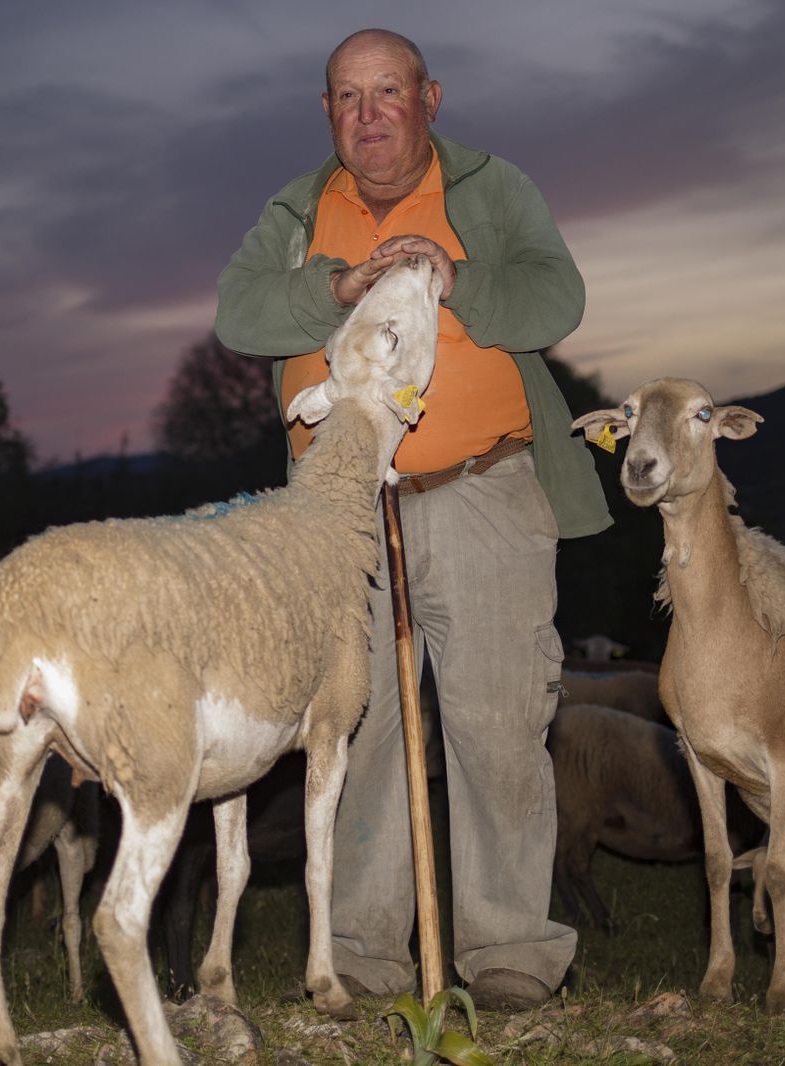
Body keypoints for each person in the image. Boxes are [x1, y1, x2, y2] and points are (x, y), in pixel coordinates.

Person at [214, 27, 610, 1010]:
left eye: (389, 93)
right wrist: (336, 288)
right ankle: (360, 953)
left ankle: (510, 952)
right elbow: (238, 313)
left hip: (484, 493)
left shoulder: (492, 189)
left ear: (429, 98)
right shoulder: (300, 209)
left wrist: (455, 274)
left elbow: (557, 296)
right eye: (348, 98)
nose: (369, 114)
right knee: (358, 726)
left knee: (497, 719)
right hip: (341, 513)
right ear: (326, 113)